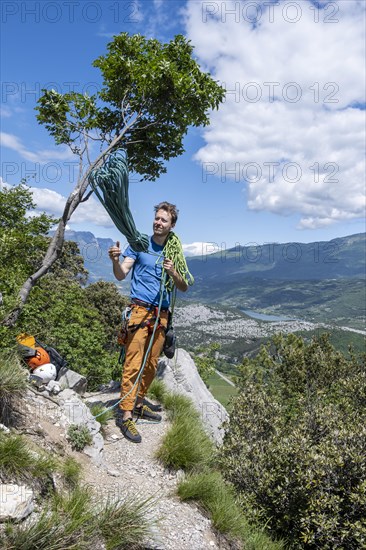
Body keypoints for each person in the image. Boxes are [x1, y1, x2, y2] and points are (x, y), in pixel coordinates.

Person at [108, 202, 188, 442]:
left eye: (164, 220)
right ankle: (126, 415)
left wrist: (173, 272)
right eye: (157, 218)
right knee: (133, 364)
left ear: (171, 225)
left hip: (160, 316)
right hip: (140, 312)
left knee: (151, 364)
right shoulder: (139, 245)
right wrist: (114, 260)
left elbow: (184, 286)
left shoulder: (173, 252)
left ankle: (139, 402)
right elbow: (122, 273)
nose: (158, 223)